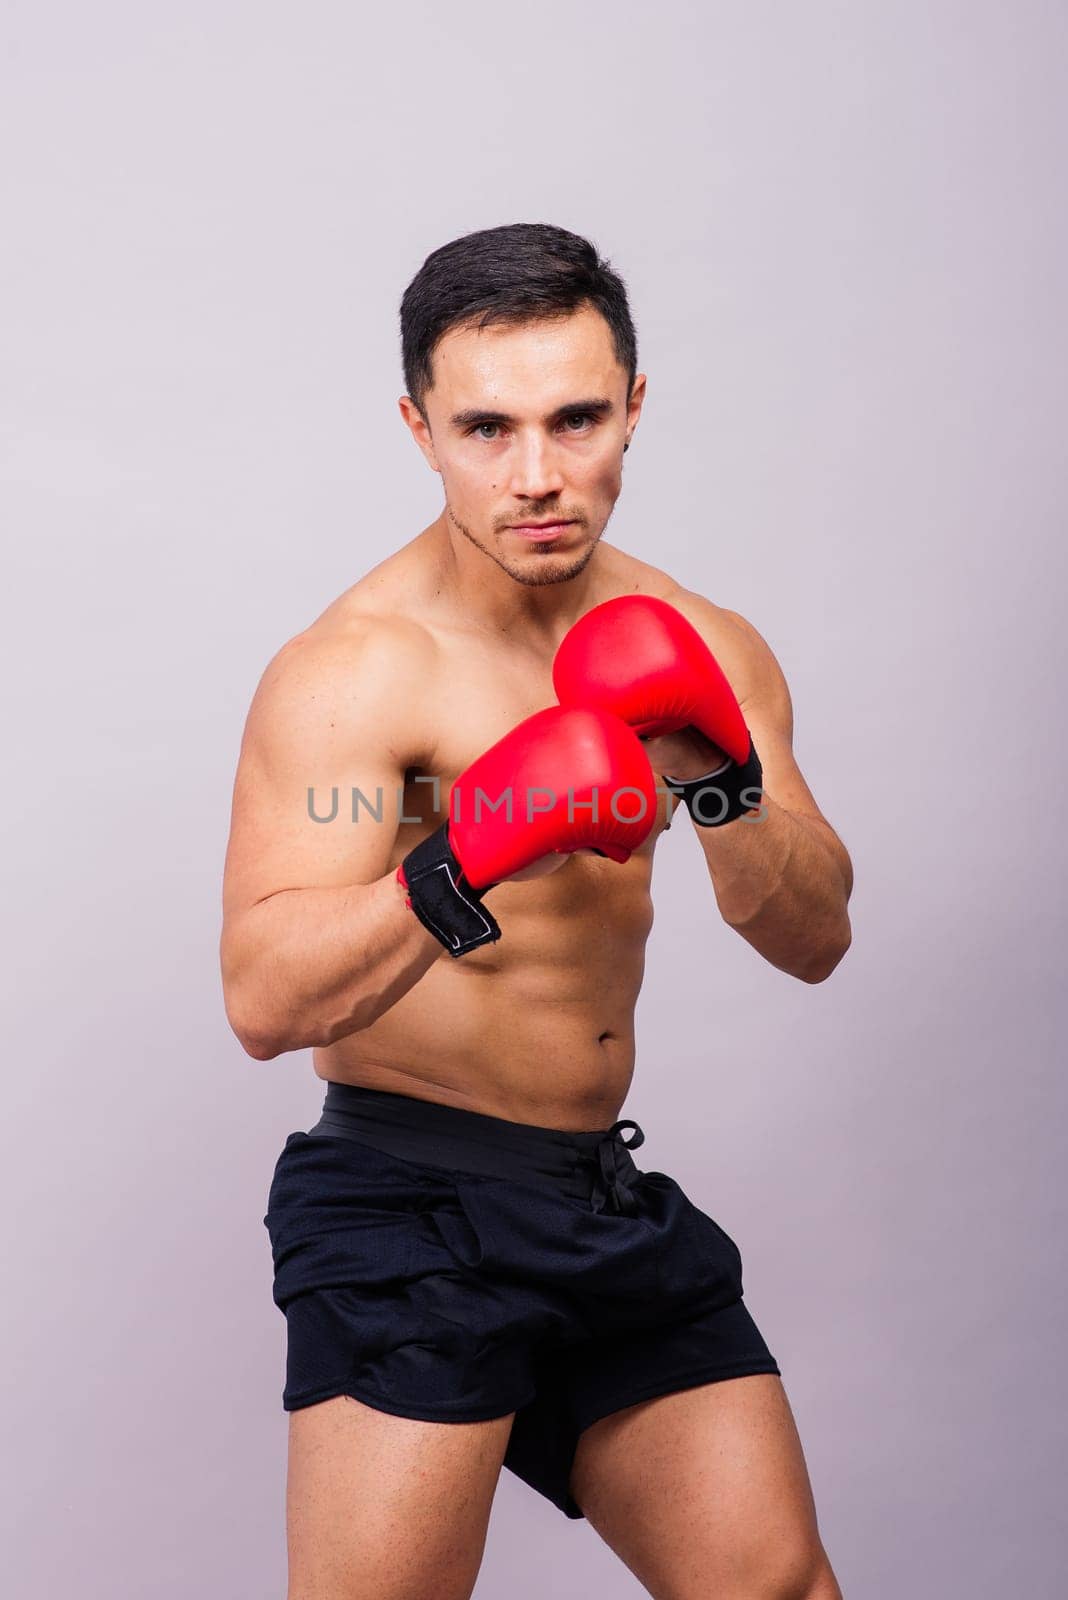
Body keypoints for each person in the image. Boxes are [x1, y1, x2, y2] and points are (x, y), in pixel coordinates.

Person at [220, 222, 853, 1600]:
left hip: (596, 1198)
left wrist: (715, 775)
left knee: (777, 1588)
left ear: (634, 401)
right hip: (406, 1200)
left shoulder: (706, 641)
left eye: (575, 420)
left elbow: (815, 937)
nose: (537, 476)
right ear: (419, 427)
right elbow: (264, 1002)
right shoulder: (353, 670)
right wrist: (470, 852)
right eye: (486, 429)